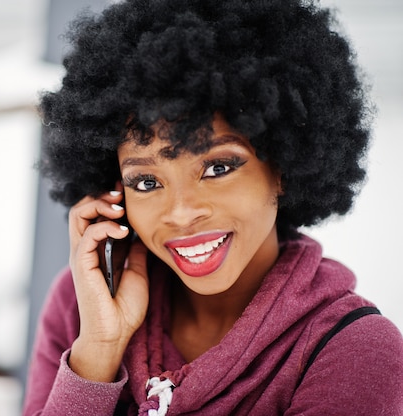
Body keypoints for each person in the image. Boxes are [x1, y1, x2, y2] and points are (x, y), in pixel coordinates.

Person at [23, 0, 403, 414]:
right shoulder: (83, 305)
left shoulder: (353, 352)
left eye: (218, 166)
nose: (182, 213)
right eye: (147, 182)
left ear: (282, 166)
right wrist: (99, 350)